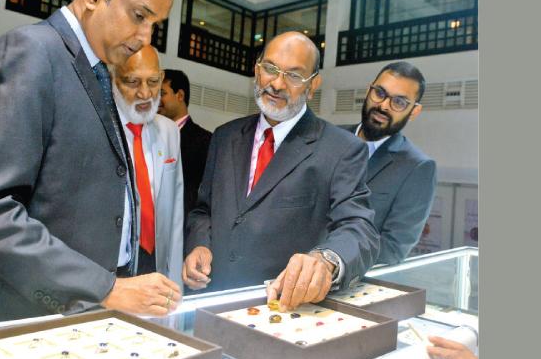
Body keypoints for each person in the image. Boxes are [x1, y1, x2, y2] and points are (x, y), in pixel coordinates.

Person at [0, 0, 182, 325]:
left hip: (70, 313)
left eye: (155, 24)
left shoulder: (95, 70)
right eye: (139, 16)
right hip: (17, 317)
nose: (145, 38)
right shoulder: (29, 53)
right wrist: (103, 287)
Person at [183, 32, 379, 311]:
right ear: (256, 70)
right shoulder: (225, 136)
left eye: (294, 76)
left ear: (313, 86)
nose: (276, 83)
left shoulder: (341, 149)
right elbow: (204, 211)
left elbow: (360, 229)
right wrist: (199, 244)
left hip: (280, 308)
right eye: (270, 69)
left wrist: (326, 261)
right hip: (211, 300)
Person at [341, 61, 437, 264]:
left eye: (399, 102)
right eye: (380, 93)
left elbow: (392, 249)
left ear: (414, 112)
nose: (383, 105)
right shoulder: (328, 137)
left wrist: (328, 261)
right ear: (369, 90)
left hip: (346, 284)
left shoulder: (417, 168)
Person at [109, 45, 184, 289]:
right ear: (114, 80)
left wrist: (174, 286)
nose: (145, 93)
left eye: (153, 82)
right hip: (112, 268)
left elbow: (175, 214)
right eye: (132, 82)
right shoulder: (99, 127)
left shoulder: (169, 131)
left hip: (154, 263)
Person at [156, 69, 212, 240]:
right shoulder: (147, 136)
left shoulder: (206, 141)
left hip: (181, 233)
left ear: (180, 95)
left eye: (162, 93)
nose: (156, 99)